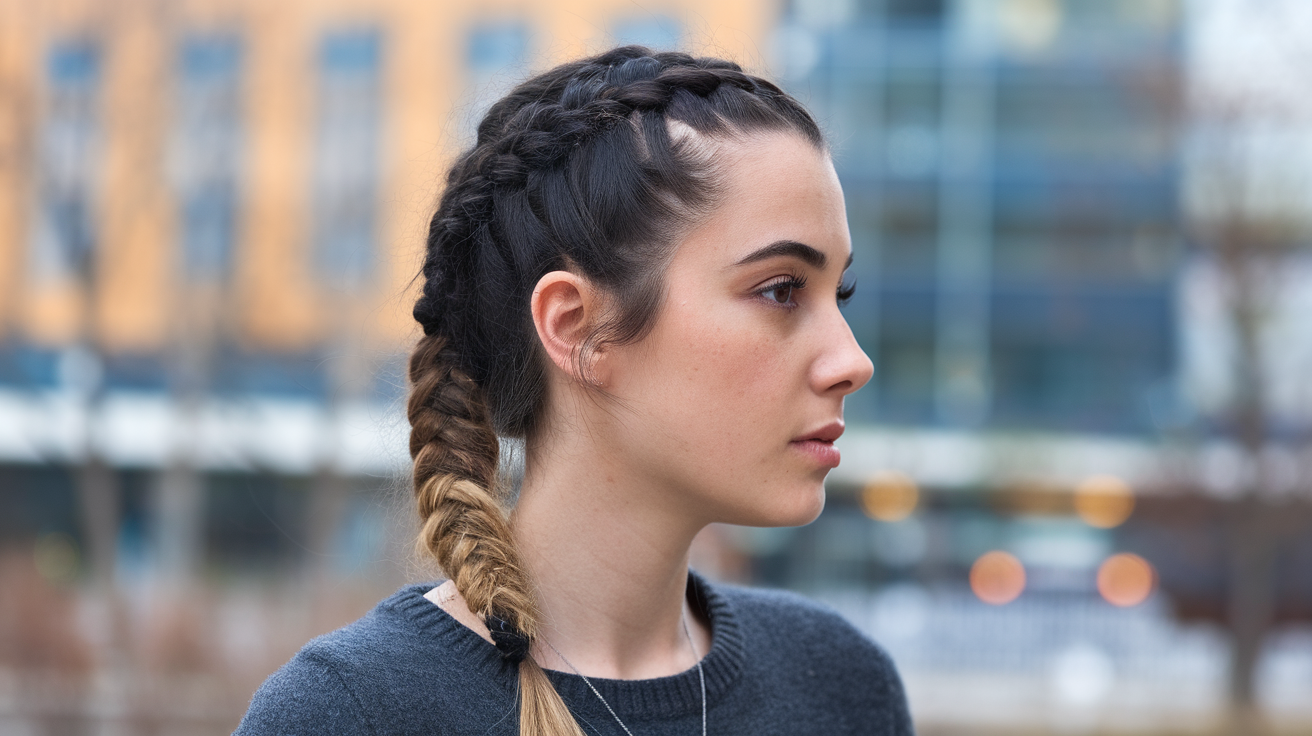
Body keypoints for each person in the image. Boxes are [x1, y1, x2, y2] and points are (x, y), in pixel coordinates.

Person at [235, 45, 913, 736]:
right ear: (577, 329)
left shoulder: (838, 685)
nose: (850, 361)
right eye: (780, 291)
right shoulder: (350, 715)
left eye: (840, 293)